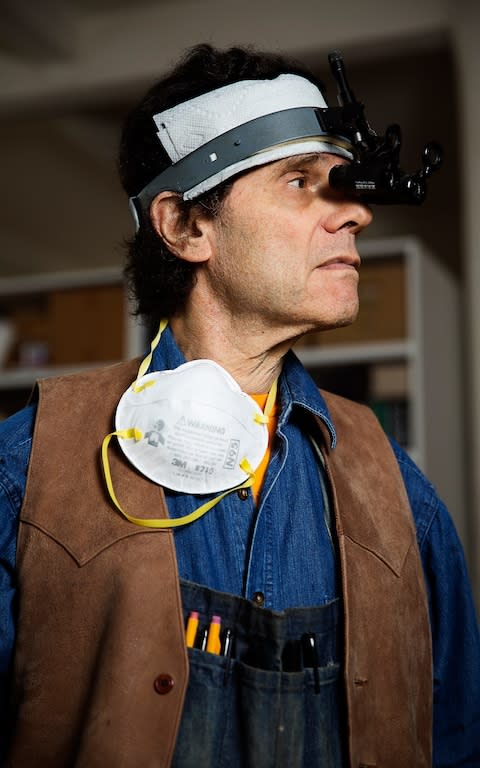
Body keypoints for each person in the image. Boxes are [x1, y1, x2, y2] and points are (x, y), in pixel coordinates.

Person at [0, 43, 479, 768]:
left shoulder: (401, 497)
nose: (356, 214)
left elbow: (456, 741)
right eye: (299, 181)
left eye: (343, 184)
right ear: (185, 225)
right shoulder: (25, 472)